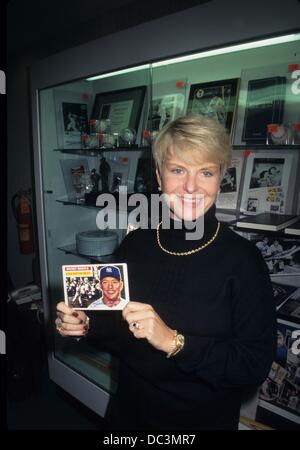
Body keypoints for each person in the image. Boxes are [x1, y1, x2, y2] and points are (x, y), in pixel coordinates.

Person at [56, 115, 277, 430]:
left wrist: (176, 342)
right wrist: (85, 322)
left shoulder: (244, 261)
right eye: (178, 170)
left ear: (221, 177)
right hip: (130, 413)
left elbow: (253, 365)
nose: (191, 186)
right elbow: (116, 323)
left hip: (200, 421)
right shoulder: (135, 244)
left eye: (205, 172)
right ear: (159, 177)